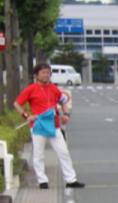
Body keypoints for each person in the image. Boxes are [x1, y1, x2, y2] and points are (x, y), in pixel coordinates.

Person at [13, 62, 83, 190]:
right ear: (36, 75)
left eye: (48, 72)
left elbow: (63, 101)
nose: (46, 75)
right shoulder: (31, 89)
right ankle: (42, 181)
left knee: (63, 152)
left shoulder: (53, 88)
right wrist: (26, 115)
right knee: (38, 154)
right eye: (43, 73)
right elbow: (17, 104)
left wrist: (66, 114)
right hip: (38, 126)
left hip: (54, 125)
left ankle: (71, 180)